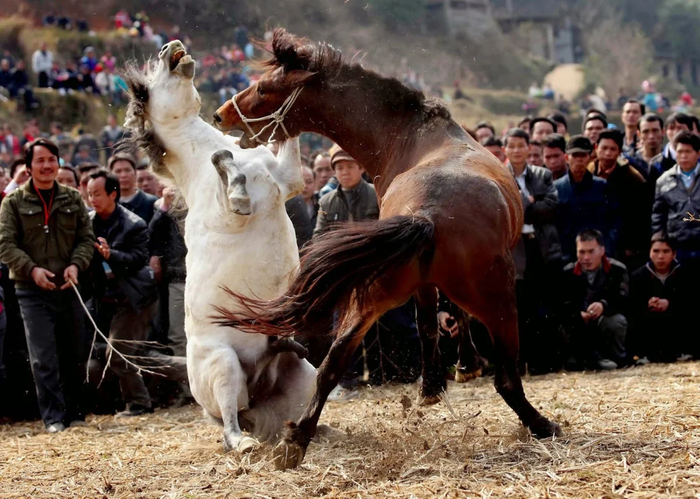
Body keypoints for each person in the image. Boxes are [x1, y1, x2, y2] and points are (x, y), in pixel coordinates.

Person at [0, 138, 95, 432]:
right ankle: (53, 418)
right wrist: (32, 269)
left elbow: (86, 238)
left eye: (51, 159)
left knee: (74, 353)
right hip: (31, 290)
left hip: (70, 286)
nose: (46, 166)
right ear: (28, 167)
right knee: (43, 357)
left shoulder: (72, 198)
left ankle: (76, 414)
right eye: (40, 160)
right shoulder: (13, 202)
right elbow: (5, 244)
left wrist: (76, 264)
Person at [87, 170, 158, 416]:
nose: (92, 199)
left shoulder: (134, 224)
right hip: (104, 298)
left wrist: (111, 255)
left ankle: (140, 404)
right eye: (89, 194)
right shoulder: (89, 222)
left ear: (113, 194)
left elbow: (138, 259)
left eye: (97, 194)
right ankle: (182, 373)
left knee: (118, 354)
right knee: (130, 355)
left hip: (134, 298)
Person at [504, 128, 564, 372]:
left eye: (521, 145)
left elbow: (551, 206)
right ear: (506, 149)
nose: (517, 150)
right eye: (512, 146)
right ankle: (518, 363)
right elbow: (502, 210)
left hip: (539, 246)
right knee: (518, 307)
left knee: (542, 307)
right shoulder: (498, 175)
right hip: (513, 248)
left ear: (530, 148)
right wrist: (528, 201)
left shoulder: (543, 175)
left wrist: (520, 203)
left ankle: (541, 364)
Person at [561, 230, 629, 371]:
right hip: (579, 324)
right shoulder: (567, 272)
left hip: (605, 320)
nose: (586, 257)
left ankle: (617, 359)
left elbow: (624, 299)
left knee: (616, 321)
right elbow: (561, 303)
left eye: (591, 251)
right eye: (581, 252)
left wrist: (604, 305)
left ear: (602, 250)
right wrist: (578, 314)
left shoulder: (617, 269)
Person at [629, 234, 693, 364]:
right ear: (650, 253)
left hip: (676, 322)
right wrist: (648, 303)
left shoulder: (686, 273)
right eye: (656, 251)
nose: (660, 256)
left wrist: (669, 303)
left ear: (674, 254)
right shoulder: (638, 275)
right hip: (649, 323)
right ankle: (642, 354)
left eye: (666, 251)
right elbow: (631, 304)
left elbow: (691, 301)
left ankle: (684, 351)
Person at [589, 129, 647, 266]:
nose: (608, 153)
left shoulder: (633, 178)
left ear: (619, 151)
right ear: (596, 148)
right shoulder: (588, 170)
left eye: (612, 149)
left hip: (621, 242)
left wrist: (631, 246)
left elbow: (639, 215)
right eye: (604, 148)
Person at [555, 135, 614, 263]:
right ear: (566, 158)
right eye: (575, 155)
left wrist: (607, 248)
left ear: (590, 157)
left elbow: (612, 220)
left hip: (597, 252)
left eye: (583, 155)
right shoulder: (557, 188)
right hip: (566, 254)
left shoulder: (602, 186)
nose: (579, 160)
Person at [651, 131, 700, 267]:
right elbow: (658, 214)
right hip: (676, 244)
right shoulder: (664, 180)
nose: (683, 156)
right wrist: (658, 239)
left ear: (698, 153)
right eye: (679, 152)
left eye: (688, 151)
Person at [149, 187, 187, 355]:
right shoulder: (165, 203)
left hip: (207, 280)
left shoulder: (207, 196)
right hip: (178, 278)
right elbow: (152, 234)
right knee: (178, 336)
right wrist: (165, 205)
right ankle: (183, 380)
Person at [314, 146, 379, 235]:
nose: (345, 172)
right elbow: (318, 236)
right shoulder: (326, 202)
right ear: (335, 172)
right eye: (340, 168)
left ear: (361, 168)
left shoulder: (377, 195)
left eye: (350, 167)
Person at [108, 153, 158, 223]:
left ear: (135, 173)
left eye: (127, 170)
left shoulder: (153, 202)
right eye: (118, 171)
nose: (123, 175)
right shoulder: (108, 204)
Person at [651, 112, 694, 179]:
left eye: (680, 128)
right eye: (671, 128)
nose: (675, 132)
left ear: (690, 130)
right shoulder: (656, 163)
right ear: (665, 132)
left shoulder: (697, 159)